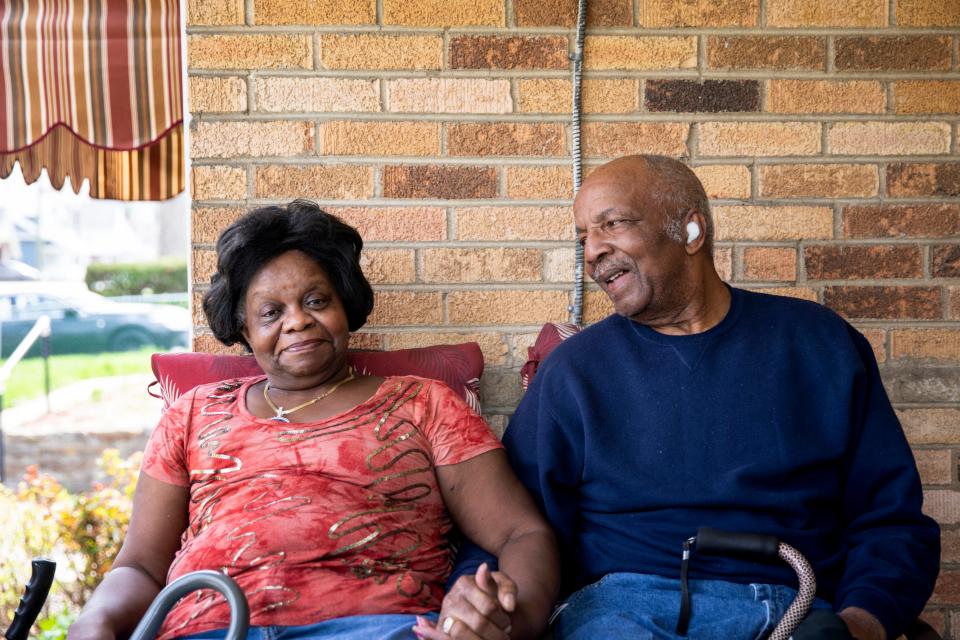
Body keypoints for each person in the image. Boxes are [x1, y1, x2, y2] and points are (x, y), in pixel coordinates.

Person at [451, 155, 939, 640]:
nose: (593, 251)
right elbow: (510, 529)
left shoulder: (820, 344)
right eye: (583, 238)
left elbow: (891, 520)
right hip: (621, 611)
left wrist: (860, 624)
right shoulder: (574, 372)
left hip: (795, 606)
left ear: (690, 232)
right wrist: (487, 602)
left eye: (612, 225)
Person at [68, 201, 559, 640]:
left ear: (344, 304)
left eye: (316, 301)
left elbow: (522, 534)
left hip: (374, 626)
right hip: (209, 626)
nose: (297, 321)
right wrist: (95, 621)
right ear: (243, 328)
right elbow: (139, 566)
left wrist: (513, 620)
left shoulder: (422, 404)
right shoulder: (193, 413)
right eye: (270, 312)